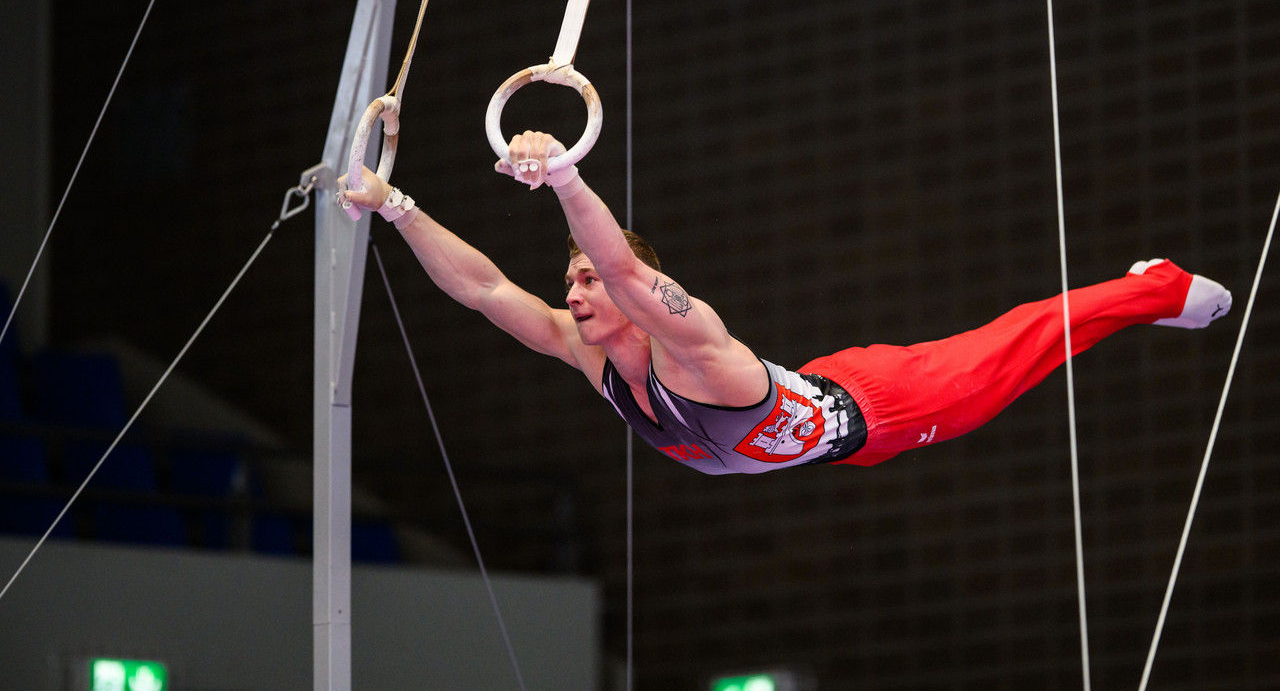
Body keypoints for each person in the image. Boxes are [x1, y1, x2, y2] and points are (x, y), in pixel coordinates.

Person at [338, 131, 1233, 475]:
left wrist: (567, 177)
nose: (573, 291)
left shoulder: (695, 352)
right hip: (821, 415)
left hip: (885, 407)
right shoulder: (586, 356)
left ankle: (1155, 289)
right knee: (521, 295)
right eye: (569, 281)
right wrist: (396, 206)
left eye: (586, 280)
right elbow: (484, 288)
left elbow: (621, 268)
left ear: (636, 298)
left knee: (1022, 341)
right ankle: (1148, 290)